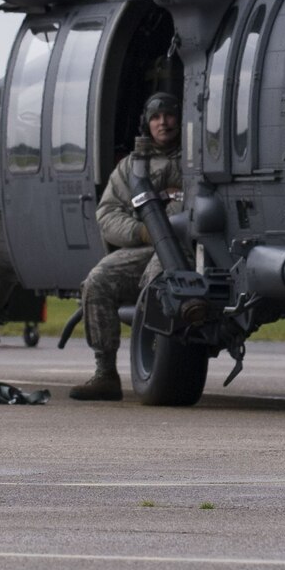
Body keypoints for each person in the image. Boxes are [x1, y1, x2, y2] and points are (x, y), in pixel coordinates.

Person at [71, 92, 183, 401]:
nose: (163, 123)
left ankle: (160, 365)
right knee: (97, 282)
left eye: (169, 115)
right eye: (156, 117)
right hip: (145, 246)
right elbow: (107, 214)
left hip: (186, 250)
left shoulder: (198, 159)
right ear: (147, 124)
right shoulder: (133, 168)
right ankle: (105, 373)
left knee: (157, 285)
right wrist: (142, 232)